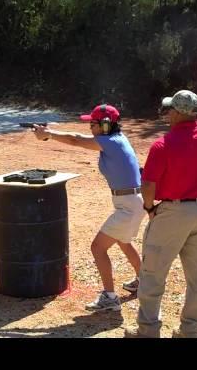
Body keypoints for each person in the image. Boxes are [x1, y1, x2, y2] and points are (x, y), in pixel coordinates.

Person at [124, 90, 197, 338]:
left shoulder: (163, 144)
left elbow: (149, 186)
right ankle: (191, 330)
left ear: (176, 112)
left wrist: (150, 208)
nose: (167, 114)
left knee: (153, 273)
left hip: (173, 211)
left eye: (169, 110)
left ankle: (148, 330)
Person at [31, 104, 144, 311]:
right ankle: (144, 282)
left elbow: (75, 139)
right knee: (123, 241)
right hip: (132, 201)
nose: (90, 127)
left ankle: (110, 298)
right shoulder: (118, 139)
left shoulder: (110, 141)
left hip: (128, 204)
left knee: (98, 248)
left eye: (93, 124)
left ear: (106, 125)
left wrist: (48, 134)